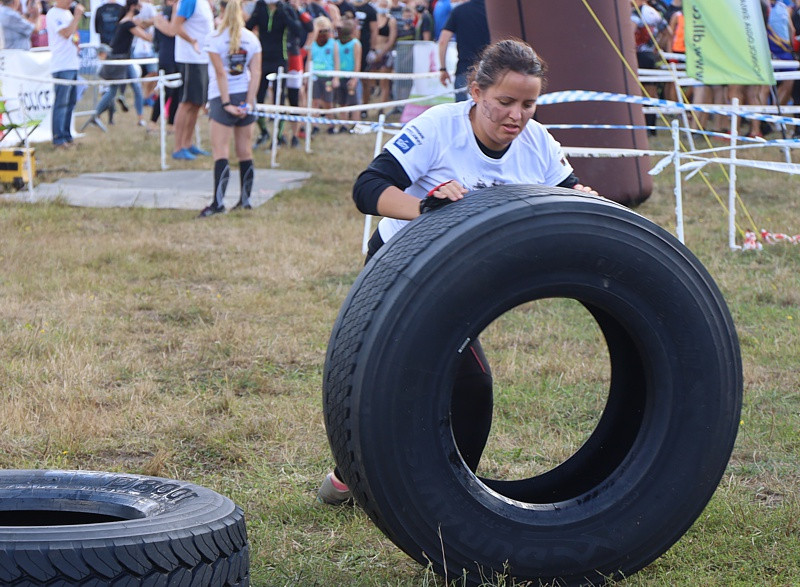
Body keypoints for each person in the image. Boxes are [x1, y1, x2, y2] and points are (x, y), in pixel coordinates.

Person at [318, 38, 597, 505]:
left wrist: (585, 197)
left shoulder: (538, 142)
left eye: (529, 104)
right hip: (400, 264)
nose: (516, 116)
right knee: (461, 382)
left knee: (443, 377)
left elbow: (567, 196)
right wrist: (427, 207)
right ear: (475, 91)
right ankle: (423, 492)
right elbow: (368, 188)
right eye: (504, 102)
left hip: (466, 274)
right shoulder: (438, 127)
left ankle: (415, 487)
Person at [198, 0, 261, 217]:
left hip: (221, 96)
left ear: (222, 11)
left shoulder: (214, 38)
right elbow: (256, 72)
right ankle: (245, 200)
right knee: (245, 151)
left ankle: (218, 203)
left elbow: (220, 73)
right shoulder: (252, 38)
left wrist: (225, 103)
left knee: (220, 151)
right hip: (245, 95)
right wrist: (250, 102)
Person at [155, 0, 214, 160]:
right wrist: (192, 41)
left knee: (196, 103)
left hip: (202, 58)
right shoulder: (189, 1)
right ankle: (178, 147)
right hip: (190, 59)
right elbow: (176, 28)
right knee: (186, 102)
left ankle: (188, 144)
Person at [245, 0, 302, 148]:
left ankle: (278, 136)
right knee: (257, 97)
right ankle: (264, 132)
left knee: (279, 98)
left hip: (280, 60)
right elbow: (249, 26)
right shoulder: (260, 7)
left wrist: (284, 13)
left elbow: (297, 30)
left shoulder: (285, 9)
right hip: (262, 59)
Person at [93, 0, 153, 127]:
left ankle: (140, 118)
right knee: (114, 91)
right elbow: (146, 37)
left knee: (133, 88)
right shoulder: (128, 23)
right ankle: (95, 115)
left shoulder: (126, 22)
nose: (141, 8)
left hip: (123, 59)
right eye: (139, 6)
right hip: (118, 61)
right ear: (132, 7)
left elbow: (139, 27)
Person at [46, 0, 84, 148]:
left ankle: (67, 136)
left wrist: (76, 41)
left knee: (70, 102)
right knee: (61, 103)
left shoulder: (67, 13)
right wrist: (77, 17)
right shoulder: (53, 14)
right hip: (61, 65)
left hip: (72, 63)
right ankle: (58, 138)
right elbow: (66, 33)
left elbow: (72, 34)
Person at [437, 0, 489, 102]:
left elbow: (443, 40)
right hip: (490, 71)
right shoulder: (494, 13)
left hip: (464, 70)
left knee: (462, 113)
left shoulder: (459, 10)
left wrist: (443, 68)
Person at [149, 0, 179, 132]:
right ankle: (152, 122)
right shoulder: (160, 17)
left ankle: (171, 123)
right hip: (166, 57)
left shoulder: (180, 15)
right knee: (167, 91)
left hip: (179, 56)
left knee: (177, 91)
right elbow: (172, 31)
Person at [306, 13, 339, 129]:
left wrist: (336, 77)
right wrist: (306, 77)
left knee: (328, 102)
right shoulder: (312, 44)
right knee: (315, 101)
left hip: (328, 75)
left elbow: (336, 61)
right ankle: (314, 125)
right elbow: (309, 60)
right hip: (315, 75)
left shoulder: (333, 44)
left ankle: (331, 124)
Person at [362, 0, 395, 107]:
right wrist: (373, 51)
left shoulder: (391, 20)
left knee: (384, 82)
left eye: (385, 5)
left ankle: (382, 108)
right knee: (368, 81)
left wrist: (381, 54)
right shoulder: (374, 18)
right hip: (373, 53)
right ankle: (366, 104)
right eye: (382, 5)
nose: (383, 7)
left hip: (385, 53)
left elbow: (391, 40)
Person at [332, 17, 360, 132]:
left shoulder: (355, 43)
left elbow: (357, 62)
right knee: (342, 102)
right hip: (340, 75)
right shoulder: (336, 43)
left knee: (354, 102)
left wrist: (355, 78)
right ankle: (343, 124)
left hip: (350, 76)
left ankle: (355, 125)